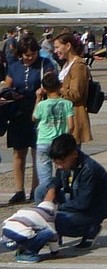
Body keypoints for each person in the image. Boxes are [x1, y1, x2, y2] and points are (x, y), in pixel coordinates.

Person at [31, 133, 107, 252]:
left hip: (90, 212)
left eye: (62, 162)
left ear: (74, 154)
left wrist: (54, 209)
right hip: (74, 200)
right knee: (41, 191)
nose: (59, 166)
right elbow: (57, 179)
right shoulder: (66, 165)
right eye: (56, 163)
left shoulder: (90, 170)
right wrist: (51, 190)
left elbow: (83, 203)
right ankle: (55, 234)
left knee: (50, 220)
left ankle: (91, 229)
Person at [2, 36, 56, 204]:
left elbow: (51, 82)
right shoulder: (14, 66)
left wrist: (42, 90)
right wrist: (9, 92)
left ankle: (35, 189)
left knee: (37, 153)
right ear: (20, 54)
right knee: (18, 152)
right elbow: (6, 85)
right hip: (18, 113)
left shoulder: (44, 64)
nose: (30, 57)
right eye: (26, 55)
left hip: (38, 113)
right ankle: (19, 190)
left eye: (33, 54)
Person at [31, 72, 74, 192]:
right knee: (63, 171)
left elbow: (34, 118)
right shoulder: (67, 104)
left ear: (44, 89)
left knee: (44, 176)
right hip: (59, 141)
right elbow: (71, 126)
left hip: (43, 140)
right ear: (59, 85)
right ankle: (63, 195)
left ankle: (45, 198)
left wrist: (38, 98)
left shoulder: (42, 105)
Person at [51, 33, 92, 148]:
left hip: (74, 116)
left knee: (70, 157)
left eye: (57, 47)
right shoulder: (67, 64)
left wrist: (58, 87)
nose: (55, 51)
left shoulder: (78, 66)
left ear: (68, 46)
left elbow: (75, 94)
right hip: (63, 116)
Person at [2, 198, 59, 263]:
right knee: (48, 233)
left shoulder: (25, 210)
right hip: (20, 237)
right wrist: (55, 252)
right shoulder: (48, 216)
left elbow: (5, 222)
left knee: (27, 230)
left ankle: (20, 247)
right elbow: (53, 236)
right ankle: (27, 254)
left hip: (6, 237)